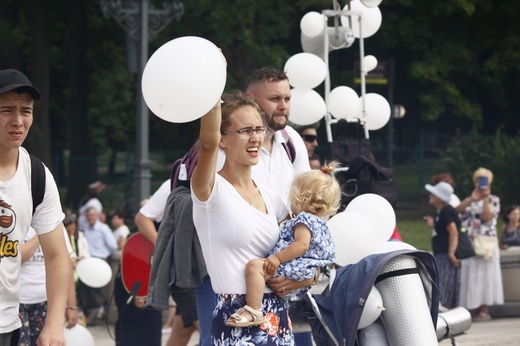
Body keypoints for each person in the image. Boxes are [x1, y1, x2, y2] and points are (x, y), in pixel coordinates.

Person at [192, 90, 295, 344]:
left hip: (276, 314)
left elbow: (304, 242)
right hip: (235, 315)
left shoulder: (272, 197)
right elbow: (207, 144)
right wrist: (212, 88)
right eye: (245, 130)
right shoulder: (210, 190)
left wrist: (302, 278)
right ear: (223, 140)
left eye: (259, 129)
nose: (255, 138)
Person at [0, 68, 70, 345]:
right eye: (7, 110)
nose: (17, 120)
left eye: (25, 111)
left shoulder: (37, 175)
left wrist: (54, 325)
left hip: (7, 324)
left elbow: (57, 255)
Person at [225, 163, 341, 327]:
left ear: (300, 198)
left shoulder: (304, 220)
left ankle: (253, 309)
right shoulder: (322, 223)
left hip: (293, 267)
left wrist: (277, 258)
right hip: (304, 272)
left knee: (254, 268)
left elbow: (301, 245)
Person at [456, 167, 504, 322]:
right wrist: (471, 199)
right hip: (469, 242)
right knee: (471, 275)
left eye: (484, 180)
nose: (480, 183)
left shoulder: (494, 200)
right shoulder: (469, 199)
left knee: (486, 276)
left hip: (486, 243)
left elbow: (486, 217)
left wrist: (485, 199)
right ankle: (473, 308)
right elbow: (456, 212)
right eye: (478, 179)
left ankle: (484, 310)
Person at [19, 227, 79, 345]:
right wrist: (42, 232)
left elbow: (66, 267)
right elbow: (17, 258)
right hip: (17, 302)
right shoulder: (14, 219)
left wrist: (71, 306)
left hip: (46, 302)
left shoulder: (56, 225)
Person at [423, 182, 462, 309]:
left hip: (446, 254)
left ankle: (447, 310)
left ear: (439, 198)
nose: (430, 196)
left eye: (433, 194)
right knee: (442, 282)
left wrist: (451, 252)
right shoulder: (440, 212)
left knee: (446, 284)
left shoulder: (447, 211)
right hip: (441, 253)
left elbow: (453, 232)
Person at [79, 206, 117, 326]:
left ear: (97, 216)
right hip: (88, 261)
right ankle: (89, 314)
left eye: (92, 215)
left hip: (100, 260)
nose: (90, 217)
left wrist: (104, 255)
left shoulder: (103, 228)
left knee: (99, 289)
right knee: (85, 288)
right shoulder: (85, 228)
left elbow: (113, 245)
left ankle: (95, 315)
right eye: (88, 215)